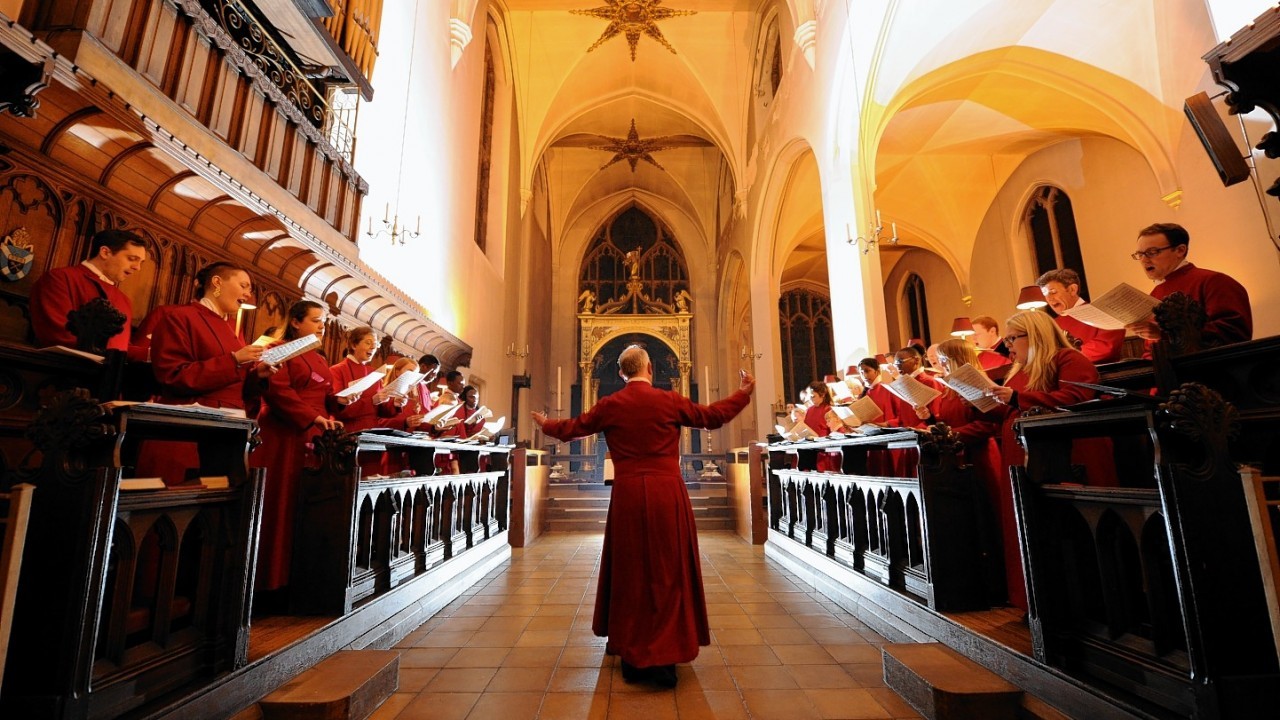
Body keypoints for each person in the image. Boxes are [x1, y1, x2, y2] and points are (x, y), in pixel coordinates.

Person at [531, 345, 754, 687]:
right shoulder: (670, 401)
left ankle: (632, 650)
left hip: (629, 494)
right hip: (667, 493)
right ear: (650, 368)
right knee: (668, 569)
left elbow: (574, 427)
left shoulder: (611, 404)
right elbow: (713, 418)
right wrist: (742, 394)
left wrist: (546, 425)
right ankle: (666, 653)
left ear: (621, 373)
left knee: (631, 570)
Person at [988, 311, 1118, 609]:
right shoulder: (1020, 369)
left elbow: (1078, 396)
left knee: (1060, 532)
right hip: (1022, 456)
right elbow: (1012, 409)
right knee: (1024, 526)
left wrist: (1016, 398)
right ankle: (1030, 598)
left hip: (1061, 457)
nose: (1008, 346)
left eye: (1011, 338)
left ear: (1034, 335)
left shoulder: (1068, 359)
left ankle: (1072, 603)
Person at [144, 262, 274, 484]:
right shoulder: (180, 317)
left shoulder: (231, 328)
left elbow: (236, 384)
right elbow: (173, 375)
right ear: (217, 282)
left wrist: (258, 375)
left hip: (228, 430)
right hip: (191, 431)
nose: (248, 294)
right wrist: (234, 360)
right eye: (244, 285)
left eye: (249, 289)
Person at [252, 300, 341, 599]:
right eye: (316, 320)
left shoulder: (316, 357)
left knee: (304, 505)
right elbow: (277, 390)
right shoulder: (278, 347)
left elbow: (325, 394)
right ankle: (269, 581)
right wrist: (311, 416)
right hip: (284, 432)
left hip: (314, 432)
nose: (321, 326)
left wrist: (340, 402)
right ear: (296, 323)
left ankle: (297, 576)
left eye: (323, 322)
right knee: (280, 502)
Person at [1124, 222, 1252, 347]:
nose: (1144, 260)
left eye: (1152, 252)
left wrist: (1165, 334)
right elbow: (1151, 347)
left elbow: (1232, 332)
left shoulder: (1215, 282)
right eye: (1140, 254)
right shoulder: (1155, 293)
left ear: (1180, 250)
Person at [30, 229, 147, 353]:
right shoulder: (60, 278)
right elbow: (57, 333)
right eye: (132, 258)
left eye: (141, 262)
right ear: (105, 252)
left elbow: (121, 346)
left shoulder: (124, 300)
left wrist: (152, 355)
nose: (137, 267)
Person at [1036, 268, 1125, 363]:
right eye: (1045, 294)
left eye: (1053, 292)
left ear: (1072, 290)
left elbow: (1105, 347)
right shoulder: (1052, 324)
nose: (1049, 298)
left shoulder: (1106, 313)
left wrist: (1063, 359)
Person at [328, 326, 397, 433]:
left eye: (375, 345)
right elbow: (338, 410)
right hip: (350, 433)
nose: (373, 348)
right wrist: (371, 401)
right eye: (368, 343)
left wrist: (395, 404)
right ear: (354, 345)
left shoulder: (375, 374)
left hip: (373, 433)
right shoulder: (337, 370)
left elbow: (381, 411)